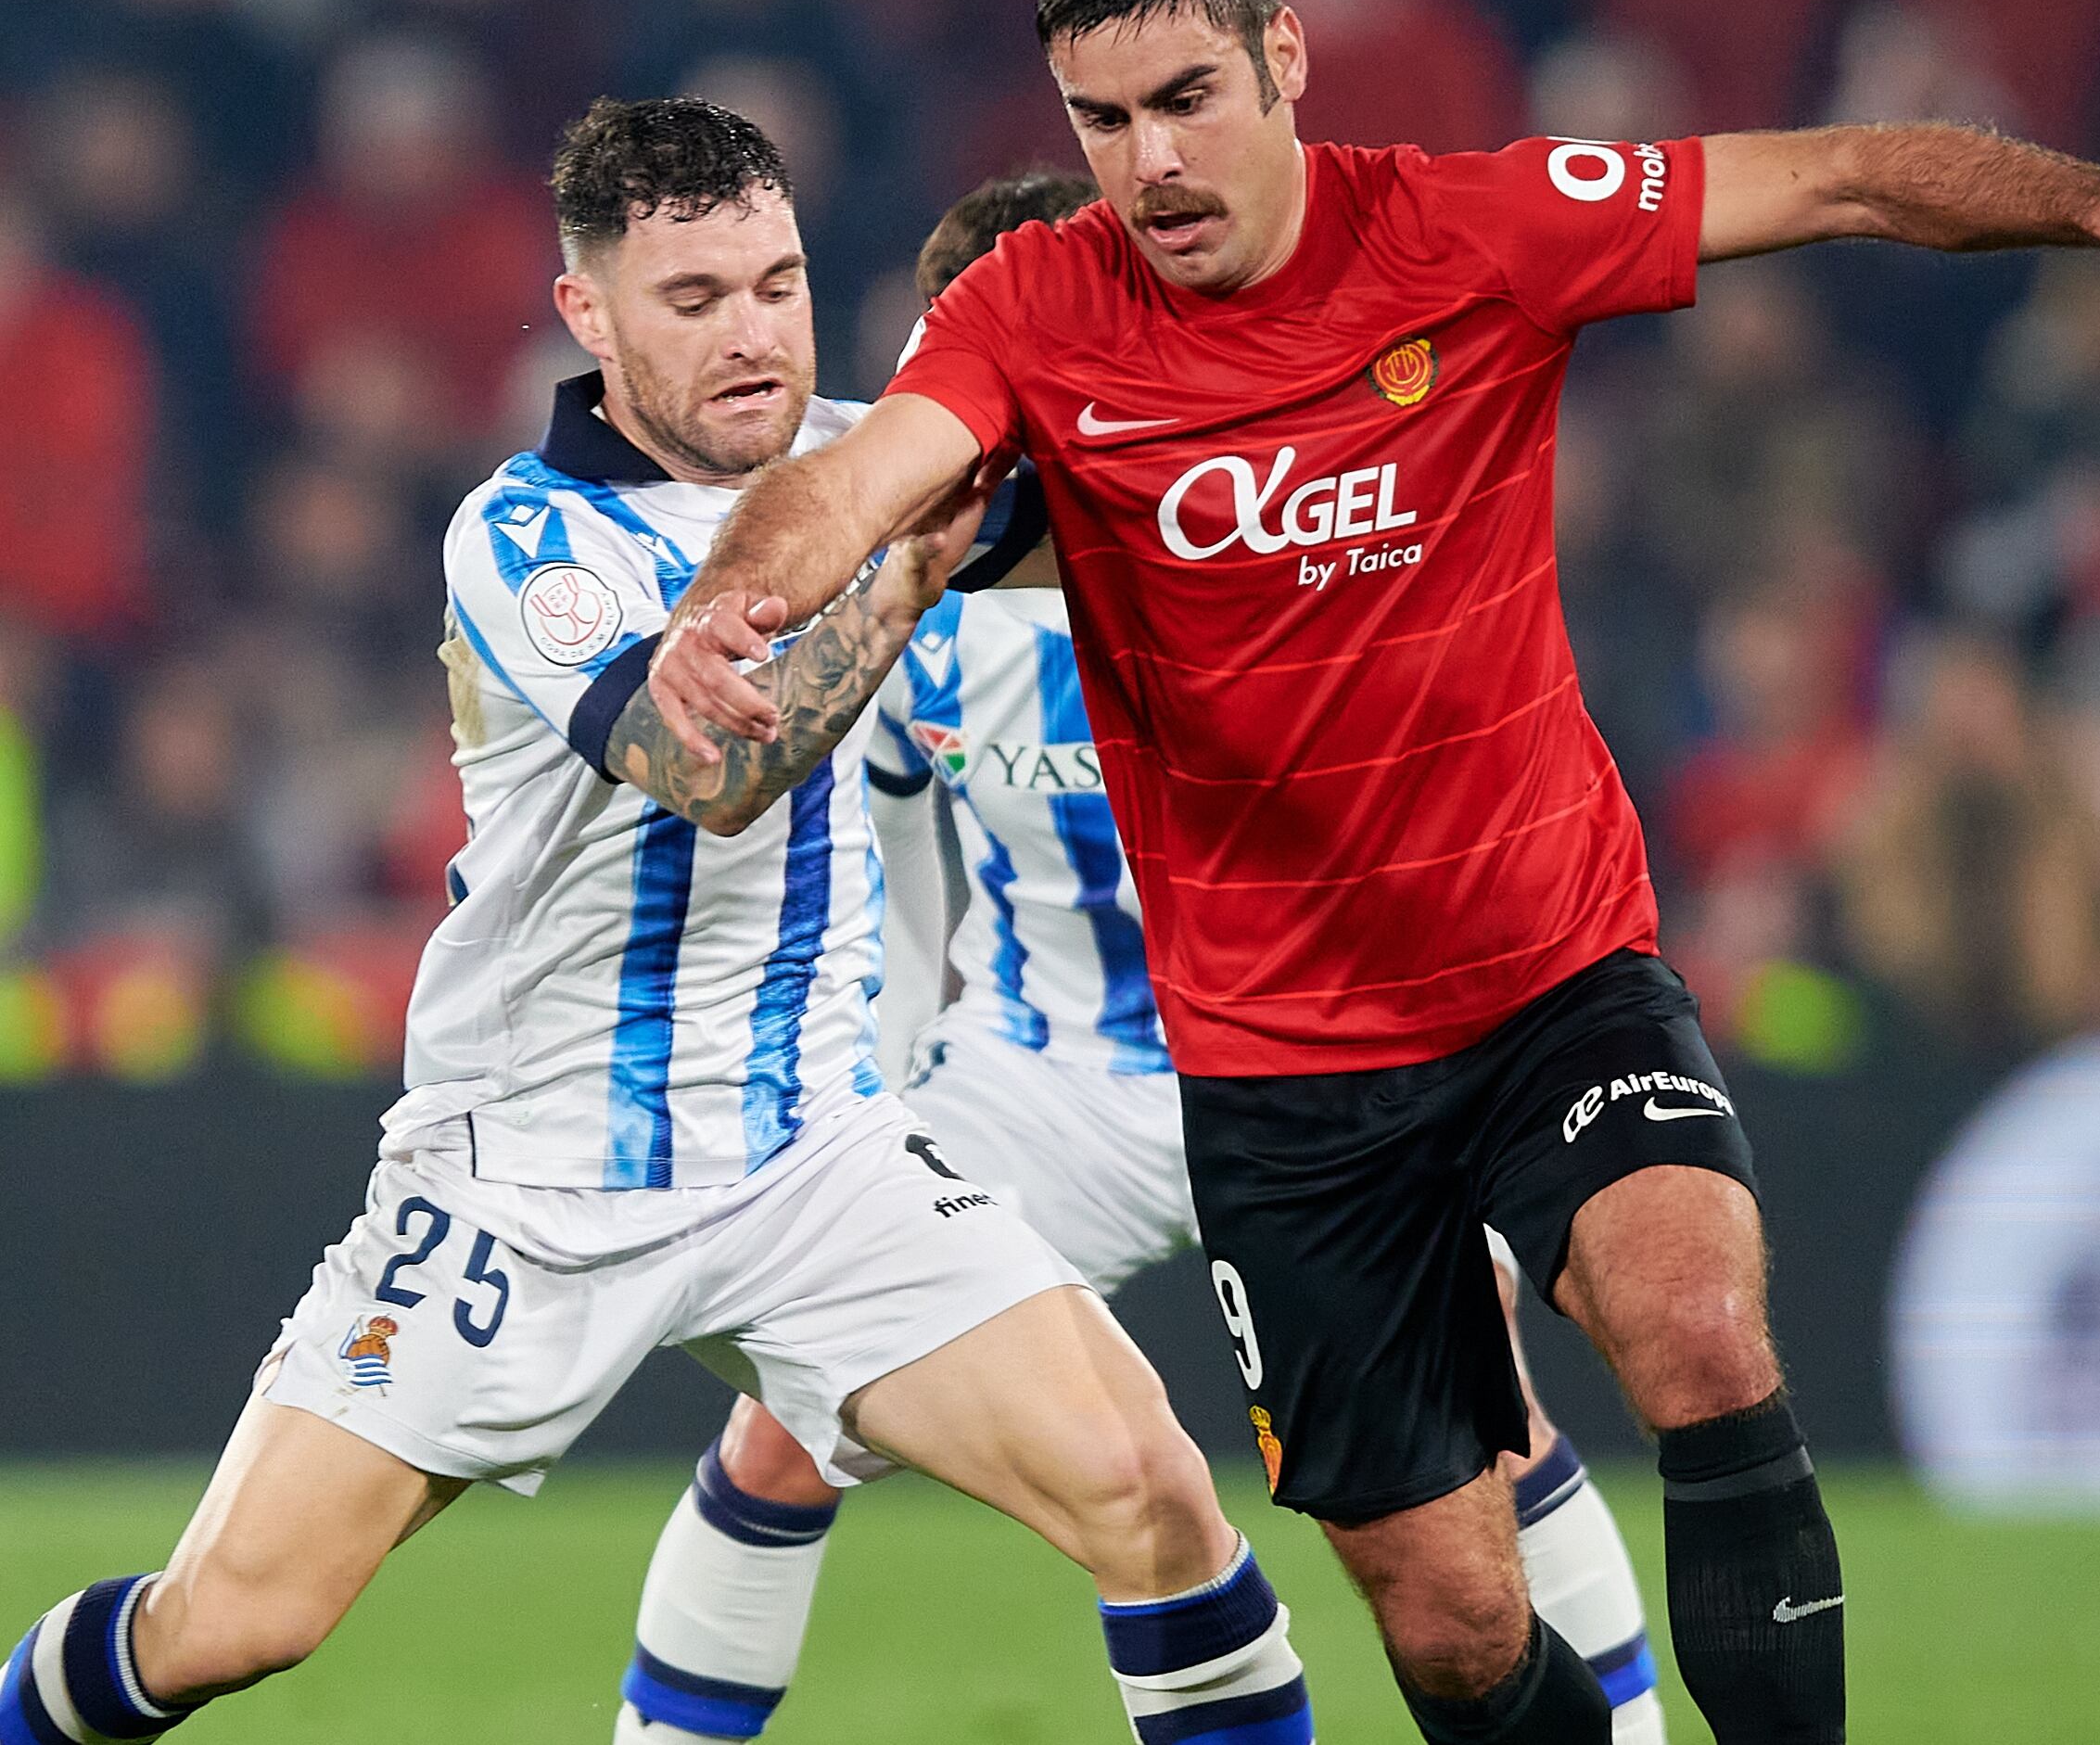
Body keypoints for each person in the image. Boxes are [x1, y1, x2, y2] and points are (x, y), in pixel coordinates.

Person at [649, 0, 2100, 1745]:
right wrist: (740, 601)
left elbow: (1843, 175)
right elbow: (859, 481)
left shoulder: (1469, 232)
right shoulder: (1034, 308)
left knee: (1696, 1327)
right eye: (1101, 123)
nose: (1151, 163)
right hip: (1285, 1077)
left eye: (1188, 98)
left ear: (1286, 56)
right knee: (1452, 1626)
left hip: (1545, 971)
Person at [0, 98, 1316, 1745]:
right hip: (533, 1174)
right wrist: (907, 576)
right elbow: (709, 769)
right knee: (237, 1621)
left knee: (1156, 1498)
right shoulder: (531, 535)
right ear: (591, 317)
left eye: (775, 284)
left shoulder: (862, 458)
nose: (754, 334)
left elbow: (1172, 518)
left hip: (810, 1152)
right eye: (695, 302)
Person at [617, 171, 1670, 1744]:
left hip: (1313, 1061)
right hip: (1052, 1082)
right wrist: (881, 1094)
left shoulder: (1259, 541)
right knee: (789, 1424)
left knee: (1489, 1423)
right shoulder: (916, 599)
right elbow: (904, 868)